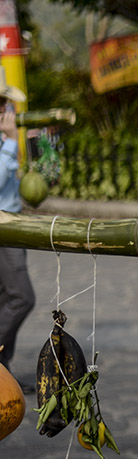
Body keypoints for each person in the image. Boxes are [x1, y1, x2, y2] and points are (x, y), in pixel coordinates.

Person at [0, 68, 34, 396]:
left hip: (11, 225)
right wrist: (10, 145)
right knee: (22, 296)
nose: (5, 110)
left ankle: (3, 375)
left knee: (3, 299)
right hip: (2, 231)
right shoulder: (4, 142)